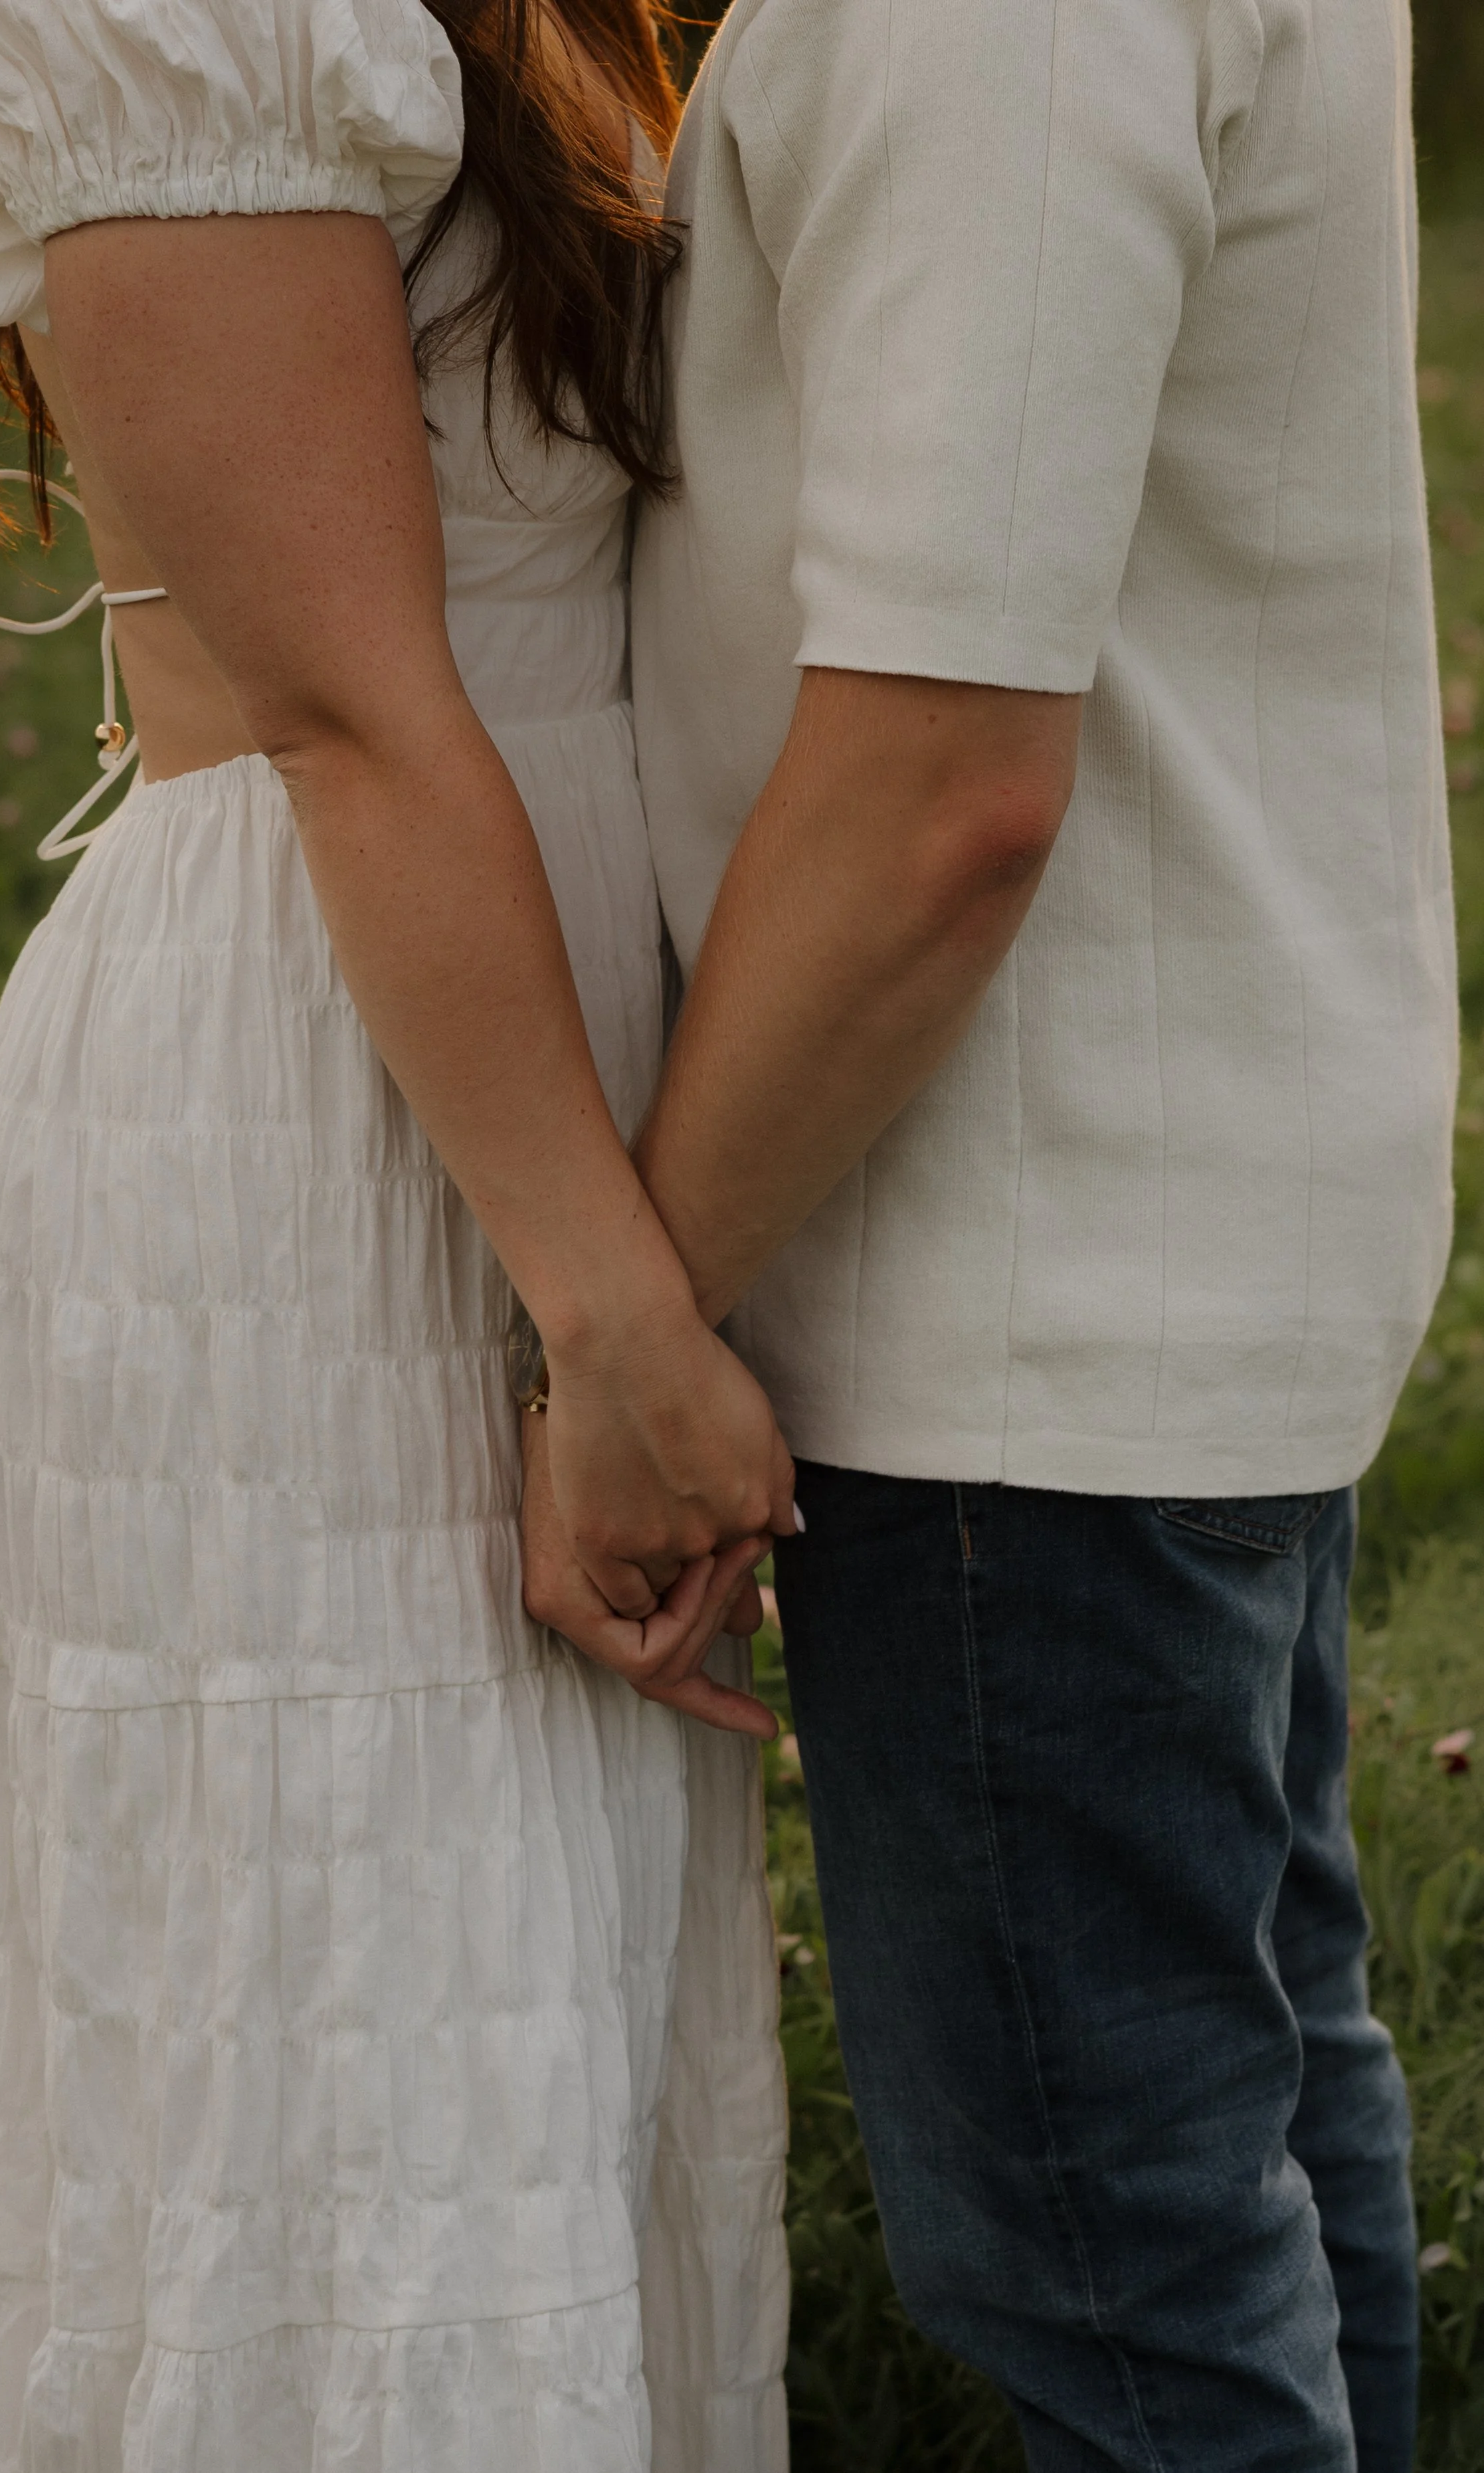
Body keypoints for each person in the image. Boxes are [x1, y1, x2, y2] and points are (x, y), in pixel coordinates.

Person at [0, 1, 794, 2464]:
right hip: (325, 1108)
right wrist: (616, 1315)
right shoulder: (183, 15)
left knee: (490, 2003)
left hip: (506, 1062)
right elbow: (350, 714)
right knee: (339, 1994)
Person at [523, 0, 1453, 2465]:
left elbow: (947, 784)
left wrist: (645, 1320)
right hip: (1163, 1189)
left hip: (1025, 1264)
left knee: (1108, 2244)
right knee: (1243, 2093)